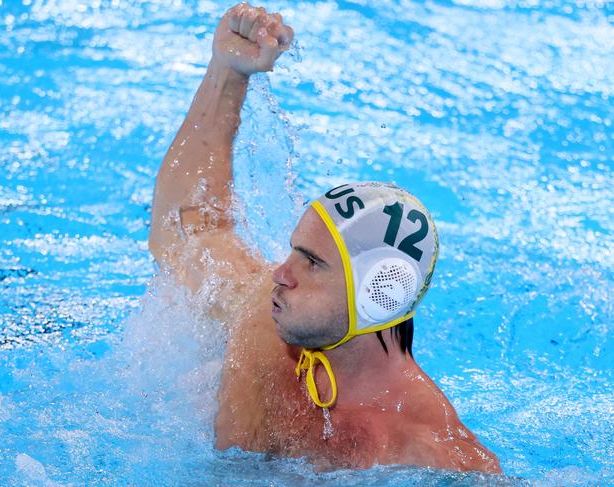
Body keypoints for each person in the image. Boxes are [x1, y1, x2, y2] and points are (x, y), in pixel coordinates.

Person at [149, 2, 502, 473]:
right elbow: (190, 230)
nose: (280, 273)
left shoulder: (431, 455)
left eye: (311, 262)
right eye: (295, 251)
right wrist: (227, 73)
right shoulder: (267, 319)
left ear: (380, 292)